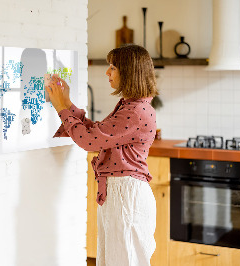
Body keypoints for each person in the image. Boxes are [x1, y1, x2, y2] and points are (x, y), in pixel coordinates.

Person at [46, 44, 158, 266]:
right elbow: (97, 133)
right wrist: (67, 103)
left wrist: (61, 108)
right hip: (121, 193)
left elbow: (89, 141)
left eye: (113, 67)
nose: (107, 72)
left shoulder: (135, 111)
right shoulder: (131, 106)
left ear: (129, 72)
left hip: (126, 195)